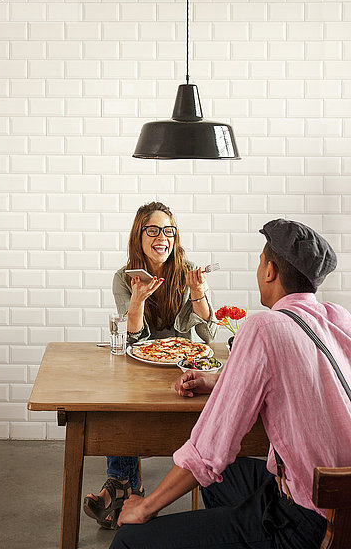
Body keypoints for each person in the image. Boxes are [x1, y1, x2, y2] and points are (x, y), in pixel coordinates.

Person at [110, 218, 351, 549]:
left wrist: (145, 505)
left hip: (307, 523)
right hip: (342, 502)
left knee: (130, 540)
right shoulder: (337, 318)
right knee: (222, 480)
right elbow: (307, 370)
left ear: (269, 271)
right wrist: (216, 380)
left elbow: (209, 452)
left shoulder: (264, 327)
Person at [83, 201, 217, 529]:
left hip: (185, 365)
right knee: (117, 400)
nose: (162, 237)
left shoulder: (189, 270)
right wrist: (137, 301)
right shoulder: (124, 277)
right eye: (153, 230)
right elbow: (133, 341)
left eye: (169, 230)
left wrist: (197, 292)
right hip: (142, 366)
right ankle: (122, 485)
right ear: (139, 236)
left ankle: (120, 487)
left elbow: (208, 332)